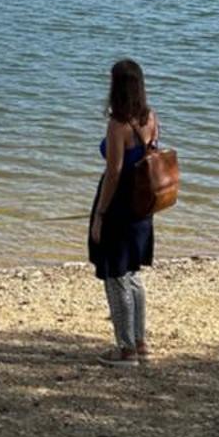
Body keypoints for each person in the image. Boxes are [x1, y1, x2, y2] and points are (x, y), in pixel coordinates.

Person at [87, 57, 158, 363]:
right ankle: (140, 342)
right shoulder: (150, 117)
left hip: (119, 205)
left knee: (116, 276)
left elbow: (114, 171)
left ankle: (125, 348)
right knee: (133, 274)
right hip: (142, 204)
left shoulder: (118, 125)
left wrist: (100, 214)